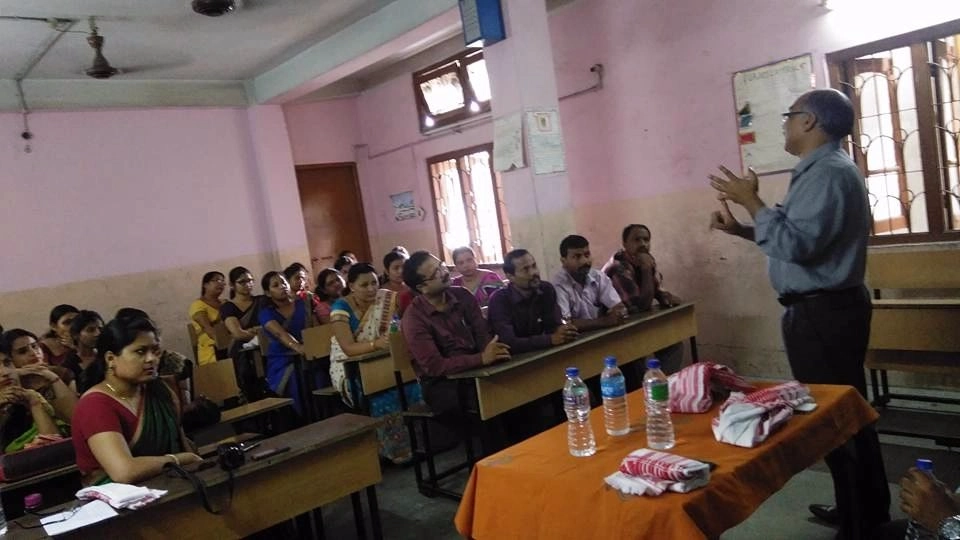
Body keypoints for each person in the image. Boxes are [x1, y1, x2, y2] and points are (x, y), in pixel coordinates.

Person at [708, 88, 890, 539]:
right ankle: (859, 507)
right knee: (843, 414)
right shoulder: (821, 170)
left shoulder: (827, 173)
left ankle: (861, 521)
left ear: (809, 121)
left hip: (824, 314)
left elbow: (797, 245)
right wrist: (744, 229)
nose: (785, 125)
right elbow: (794, 237)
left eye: (789, 116)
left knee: (835, 418)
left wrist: (751, 200)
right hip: (823, 311)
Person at [71, 315, 200, 486]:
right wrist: (176, 460)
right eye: (140, 352)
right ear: (110, 359)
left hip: (174, 485)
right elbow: (124, 472)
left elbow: (183, 445)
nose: (151, 359)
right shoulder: (95, 405)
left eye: (155, 351)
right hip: (119, 497)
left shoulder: (159, 390)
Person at [402, 251, 510, 420]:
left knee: (514, 381)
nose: (445, 272)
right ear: (422, 287)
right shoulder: (414, 318)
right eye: (436, 272)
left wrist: (489, 355)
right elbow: (435, 366)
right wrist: (481, 359)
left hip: (477, 369)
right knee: (492, 400)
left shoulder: (462, 295)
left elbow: (482, 332)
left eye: (442, 265)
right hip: (443, 383)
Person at [329, 263, 418, 463]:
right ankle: (396, 452)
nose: (371, 289)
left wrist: (389, 339)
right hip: (350, 365)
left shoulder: (385, 299)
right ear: (352, 286)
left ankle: (422, 444)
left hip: (384, 358)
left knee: (414, 388)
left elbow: (395, 329)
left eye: (374, 283)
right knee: (382, 398)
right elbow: (348, 348)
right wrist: (375, 344)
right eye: (364, 285)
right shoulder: (340, 308)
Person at [601, 224, 685, 374]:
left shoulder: (644, 259)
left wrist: (665, 297)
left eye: (646, 240)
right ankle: (651, 384)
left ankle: (663, 383)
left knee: (673, 344)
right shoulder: (618, 266)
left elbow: (657, 291)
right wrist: (646, 269)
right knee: (636, 357)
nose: (643, 244)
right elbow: (639, 306)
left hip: (633, 325)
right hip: (612, 331)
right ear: (625, 244)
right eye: (637, 240)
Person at [487, 249, 578, 354]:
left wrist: (565, 331)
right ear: (510, 277)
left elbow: (554, 327)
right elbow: (508, 343)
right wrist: (549, 340)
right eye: (525, 269)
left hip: (544, 353)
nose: (533, 272)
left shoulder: (546, 289)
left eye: (534, 266)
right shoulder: (499, 300)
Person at [258, 271, 318, 417]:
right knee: (296, 380)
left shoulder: (304, 304)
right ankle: (304, 420)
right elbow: (280, 334)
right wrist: (299, 348)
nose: (282, 287)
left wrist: (313, 348)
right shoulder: (266, 313)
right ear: (268, 293)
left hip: (311, 354)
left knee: (320, 375)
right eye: (275, 285)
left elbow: (315, 328)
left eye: (284, 283)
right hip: (283, 360)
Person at [0, 329, 78, 423]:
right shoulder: (8, 382)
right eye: (22, 351)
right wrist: (17, 372)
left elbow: (75, 416)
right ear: (10, 359)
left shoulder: (60, 372)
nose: (33, 353)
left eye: (35, 346)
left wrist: (52, 377)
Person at [553, 235, 628, 331]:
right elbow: (566, 324)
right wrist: (605, 321)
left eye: (587, 255)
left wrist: (619, 313)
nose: (584, 261)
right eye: (577, 257)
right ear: (563, 261)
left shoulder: (598, 277)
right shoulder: (559, 285)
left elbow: (619, 308)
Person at [0, 353, 67, 454]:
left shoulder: (33, 400)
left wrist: (35, 403)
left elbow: (55, 452)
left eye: (7, 363)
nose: (6, 372)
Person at [220, 267, 264, 400]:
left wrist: (258, 332)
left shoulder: (261, 301)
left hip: (265, 346)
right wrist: (261, 334)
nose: (247, 284)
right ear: (232, 285)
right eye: (242, 282)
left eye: (250, 281)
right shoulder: (228, 307)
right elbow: (238, 333)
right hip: (242, 350)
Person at [61, 310, 104, 394]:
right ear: (76, 335)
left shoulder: (107, 357)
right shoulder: (68, 365)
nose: (98, 333)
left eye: (100, 329)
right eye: (91, 330)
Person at [188, 271, 225, 366]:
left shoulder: (225, 303)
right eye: (217, 280)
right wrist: (224, 343)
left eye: (222, 281)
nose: (221, 283)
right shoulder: (198, 305)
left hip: (229, 344)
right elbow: (207, 328)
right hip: (211, 349)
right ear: (205, 285)